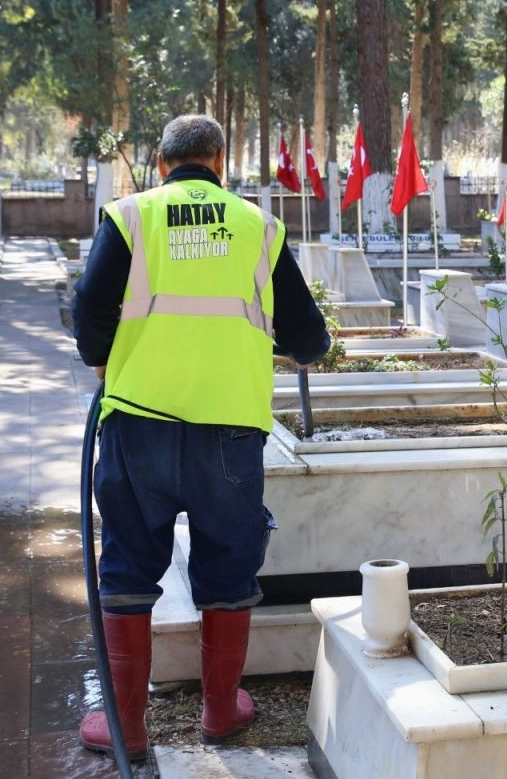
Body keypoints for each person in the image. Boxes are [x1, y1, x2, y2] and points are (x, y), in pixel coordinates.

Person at [72, 114, 329, 761]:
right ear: (221, 162)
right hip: (229, 434)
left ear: (162, 165)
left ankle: (128, 730)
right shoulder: (258, 228)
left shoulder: (131, 216)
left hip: (138, 427)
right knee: (228, 563)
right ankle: (221, 710)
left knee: (129, 567)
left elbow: (89, 309)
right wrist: (295, 347)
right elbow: (309, 338)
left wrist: (103, 357)